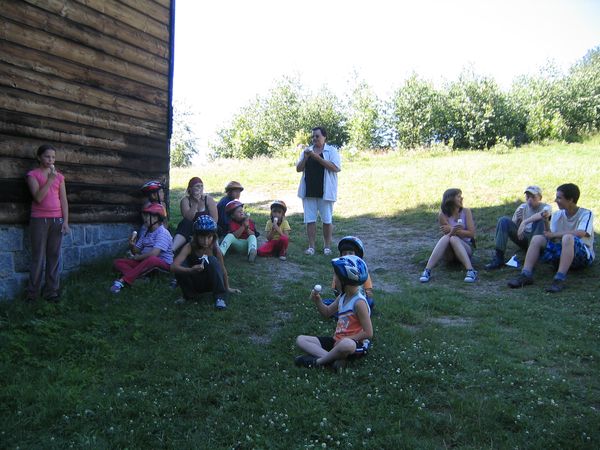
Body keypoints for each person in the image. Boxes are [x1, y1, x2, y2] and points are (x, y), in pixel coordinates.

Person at [508, 183, 594, 293]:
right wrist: (545, 222)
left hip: (582, 257)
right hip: (561, 254)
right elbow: (551, 237)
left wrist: (554, 235)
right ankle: (526, 274)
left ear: (571, 200)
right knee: (537, 239)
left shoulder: (586, 214)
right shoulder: (558, 214)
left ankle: (559, 279)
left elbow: (581, 233)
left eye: (559, 198)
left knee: (568, 237)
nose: (555, 200)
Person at [294, 255, 373, 370]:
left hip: (355, 344)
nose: (334, 280)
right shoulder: (342, 297)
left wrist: (344, 340)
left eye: (336, 276)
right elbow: (327, 312)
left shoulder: (359, 303)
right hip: (336, 341)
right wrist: (318, 300)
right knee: (301, 339)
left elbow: (368, 333)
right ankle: (333, 360)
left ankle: (318, 362)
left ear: (344, 280)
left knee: (347, 344)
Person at [25, 144, 70, 302]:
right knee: (38, 257)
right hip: (39, 220)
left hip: (57, 220)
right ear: (39, 157)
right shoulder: (33, 175)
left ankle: (51, 292)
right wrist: (50, 180)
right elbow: (38, 197)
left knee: (54, 256)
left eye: (53, 157)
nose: (50, 160)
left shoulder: (60, 177)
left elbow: (63, 200)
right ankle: (32, 294)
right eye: (47, 156)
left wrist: (66, 221)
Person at [170, 216, 240, 309]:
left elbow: (222, 269)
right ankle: (188, 295)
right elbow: (173, 267)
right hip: (194, 281)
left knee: (212, 260)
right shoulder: (189, 247)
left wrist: (227, 288)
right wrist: (190, 270)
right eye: (202, 237)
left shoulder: (215, 249)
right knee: (181, 266)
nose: (206, 241)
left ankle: (220, 297)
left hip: (210, 282)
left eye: (209, 237)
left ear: (213, 236)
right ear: (196, 236)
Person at [296, 127, 341, 256]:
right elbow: (298, 169)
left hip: (325, 191)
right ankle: (311, 247)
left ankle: (327, 247)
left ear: (324, 137)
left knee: (327, 220)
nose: (314, 138)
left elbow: (336, 168)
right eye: (313, 136)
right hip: (309, 191)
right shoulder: (307, 151)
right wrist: (305, 158)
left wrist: (317, 158)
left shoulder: (331, 151)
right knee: (310, 220)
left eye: (317, 136)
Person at [110, 203, 173, 293]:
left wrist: (138, 257)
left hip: (162, 265)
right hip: (144, 262)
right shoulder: (146, 232)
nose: (145, 218)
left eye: (148, 216)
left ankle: (123, 280)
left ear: (156, 218)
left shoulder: (163, 233)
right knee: (118, 262)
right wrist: (132, 245)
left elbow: (154, 254)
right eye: (145, 215)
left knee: (152, 259)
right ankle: (139, 279)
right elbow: (136, 251)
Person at [419, 188, 478, 283]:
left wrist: (451, 229)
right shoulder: (442, 215)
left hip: (466, 247)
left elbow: (471, 234)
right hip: (449, 254)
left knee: (454, 238)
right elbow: (448, 235)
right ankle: (427, 270)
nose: (462, 198)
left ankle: (471, 271)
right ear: (451, 199)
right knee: (448, 238)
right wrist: (453, 230)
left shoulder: (466, 211)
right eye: (458, 196)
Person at [485, 186, 551, 270]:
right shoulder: (522, 207)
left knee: (540, 221)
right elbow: (513, 227)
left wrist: (525, 222)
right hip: (525, 238)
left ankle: (533, 257)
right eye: (527, 197)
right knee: (503, 220)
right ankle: (499, 258)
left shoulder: (546, 207)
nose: (530, 200)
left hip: (539, 239)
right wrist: (519, 221)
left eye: (533, 197)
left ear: (540, 198)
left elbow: (544, 214)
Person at [172, 177, 218, 253]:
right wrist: (195, 203)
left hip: (208, 227)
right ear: (190, 189)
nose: (200, 188)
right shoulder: (185, 200)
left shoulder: (208, 199)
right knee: (185, 224)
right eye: (197, 186)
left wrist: (205, 225)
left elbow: (215, 219)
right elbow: (188, 218)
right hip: (191, 228)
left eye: (201, 186)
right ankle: (172, 249)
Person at [328, 236, 374, 311]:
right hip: (344, 297)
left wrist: (368, 291)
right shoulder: (339, 271)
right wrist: (340, 294)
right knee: (329, 303)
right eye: (344, 253)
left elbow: (367, 286)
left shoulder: (361, 271)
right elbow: (336, 288)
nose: (347, 255)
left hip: (359, 297)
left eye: (350, 253)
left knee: (370, 302)